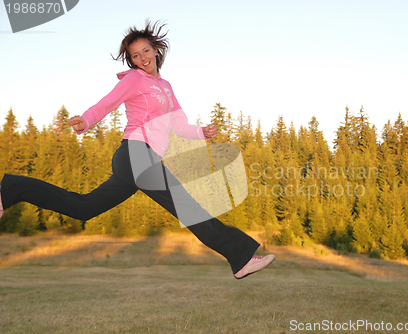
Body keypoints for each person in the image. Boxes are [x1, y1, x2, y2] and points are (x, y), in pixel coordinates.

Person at [0, 20, 275, 279]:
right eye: (135, 55)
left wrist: (201, 132)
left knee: (83, 208)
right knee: (187, 206)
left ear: (156, 50)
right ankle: (240, 257)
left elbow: (179, 126)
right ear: (130, 60)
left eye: (146, 51)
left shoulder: (166, 87)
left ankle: (8, 190)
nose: (142, 58)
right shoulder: (133, 79)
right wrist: (86, 120)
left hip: (138, 162)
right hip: (135, 154)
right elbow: (106, 104)